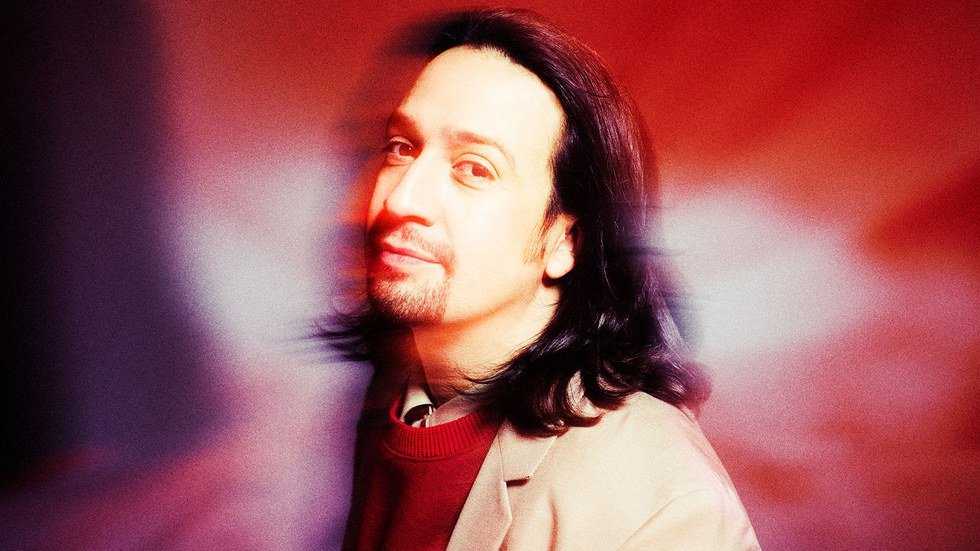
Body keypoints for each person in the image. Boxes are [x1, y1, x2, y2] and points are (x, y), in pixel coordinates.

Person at [327, 8, 761, 550]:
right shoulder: (397, 395)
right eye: (402, 147)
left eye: (474, 168)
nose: (399, 199)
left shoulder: (659, 502)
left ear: (565, 241)